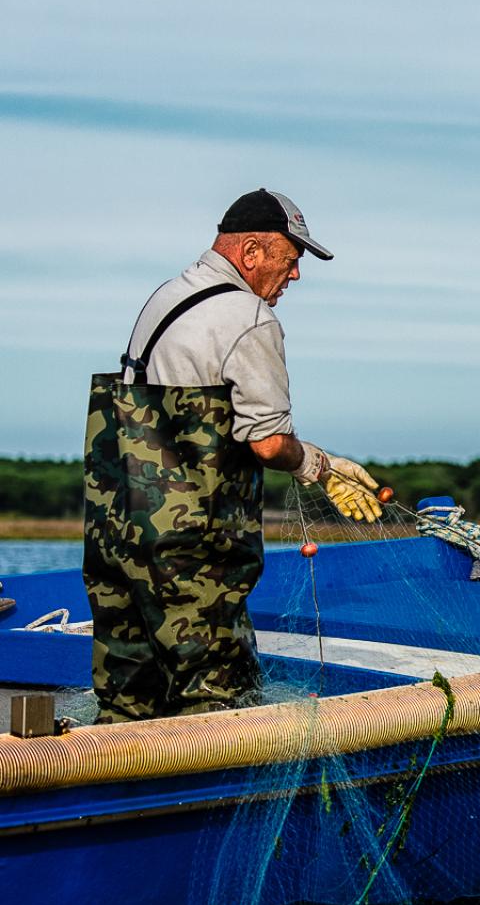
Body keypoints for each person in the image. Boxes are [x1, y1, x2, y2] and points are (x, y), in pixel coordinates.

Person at [83, 189, 383, 723]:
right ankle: (209, 806)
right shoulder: (248, 317)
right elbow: (266, 441)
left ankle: (112, 797)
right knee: (220, 709)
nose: (295, 277)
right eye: (291, 261)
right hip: (191, 551)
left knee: (128, 699)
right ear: (251, 252)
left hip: (119, 540)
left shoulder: (165, 298)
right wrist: (324, 466)